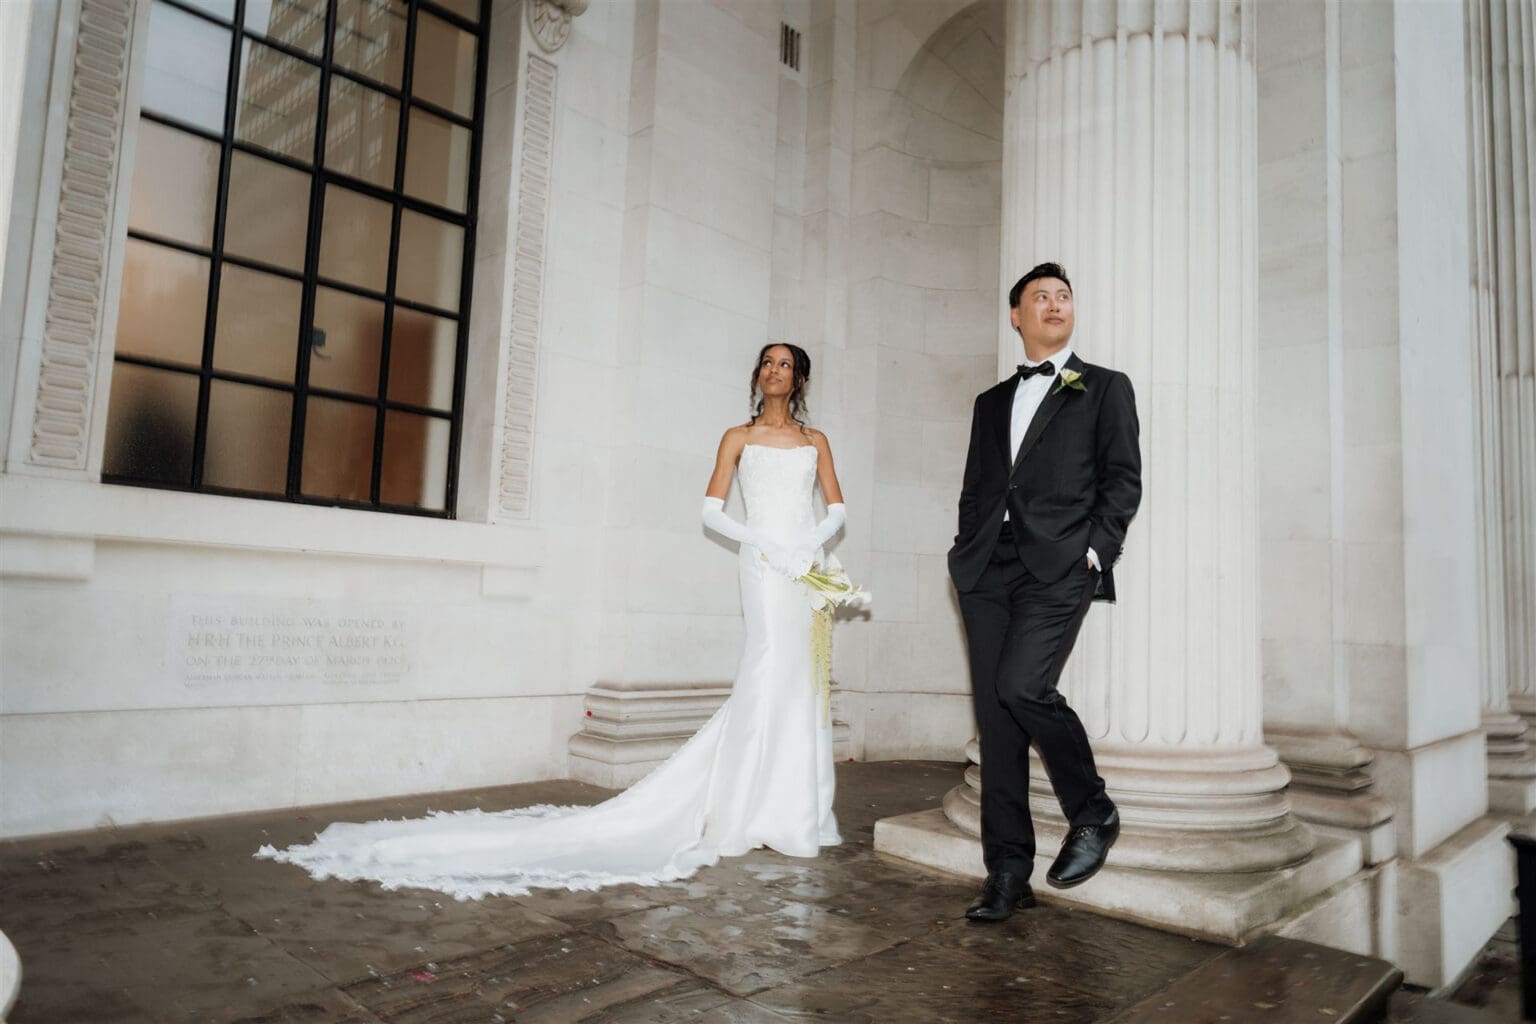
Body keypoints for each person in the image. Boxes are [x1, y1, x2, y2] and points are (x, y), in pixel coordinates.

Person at [256, 343, 847, 897]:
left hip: (805, 566)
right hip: (764, 564)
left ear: (799, 379)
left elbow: (836, 508)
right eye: (766, 362)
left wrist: (807, 547)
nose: (774, 371)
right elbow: (711, 510)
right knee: (767, 662)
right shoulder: (737, 436)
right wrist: (766, 545)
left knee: (803, 677)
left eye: (785, 364)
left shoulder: (816, 440)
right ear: (757, 375)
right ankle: (743, 806)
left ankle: (792, 808)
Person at [948, 263, 1141, 922]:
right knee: (999, 725)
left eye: (1064, 295)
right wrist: (964, 552)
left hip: (1059, 566)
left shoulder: (1105, 387)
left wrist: (1095, 552)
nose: (1055, 304)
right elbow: (978, 487)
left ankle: (1094, 811)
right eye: (1041, 297)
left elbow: (1123, 479)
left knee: (1023, 688)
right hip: (985, 572)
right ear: (1016, 315)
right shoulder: (990, 402)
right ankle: (1007, 871)